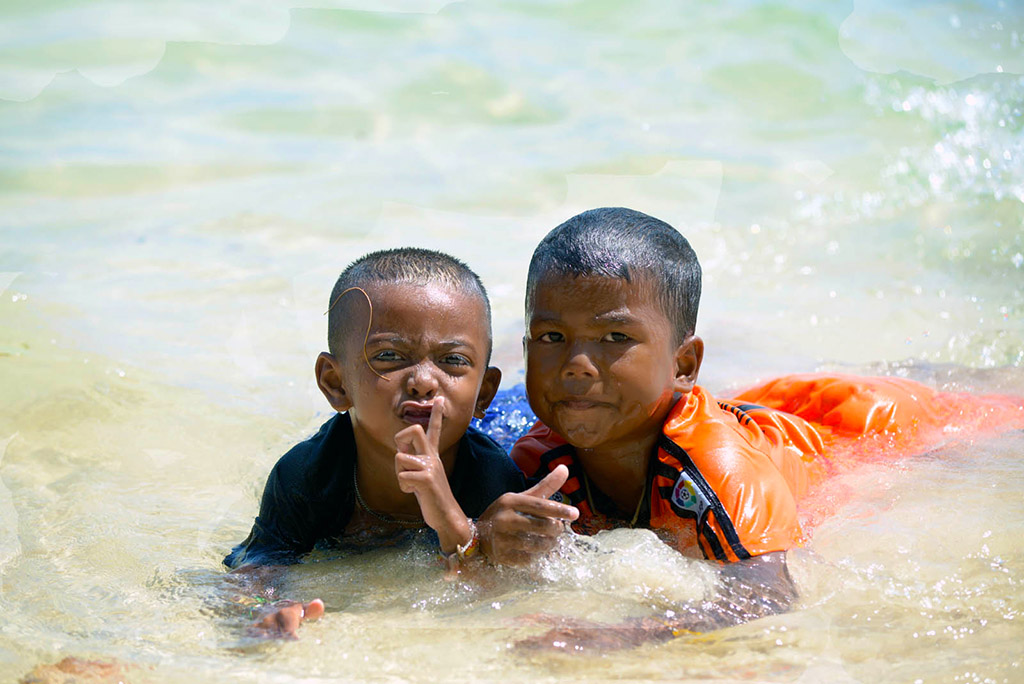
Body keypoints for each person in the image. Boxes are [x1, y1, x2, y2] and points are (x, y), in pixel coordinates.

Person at [487, 207, 1024, 652]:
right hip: (758, 410)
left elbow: (764, 599)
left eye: (615, 336)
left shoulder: (718, 469)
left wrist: (620, 640)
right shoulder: (540, 460)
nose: (577, 364)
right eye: (552, 336)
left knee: (993, 406)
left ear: (683, 365)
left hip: (857, 424)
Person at [224, 247, 574, 638]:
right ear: (336, 384)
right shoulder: (306, 476)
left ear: (482, 393)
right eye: (389, 356)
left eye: (453, 360)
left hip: (506, 424)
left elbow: (488, 585)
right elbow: (253, 567)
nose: (424, 380)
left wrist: (451, 515)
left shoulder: (492, 476)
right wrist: (262, 609)